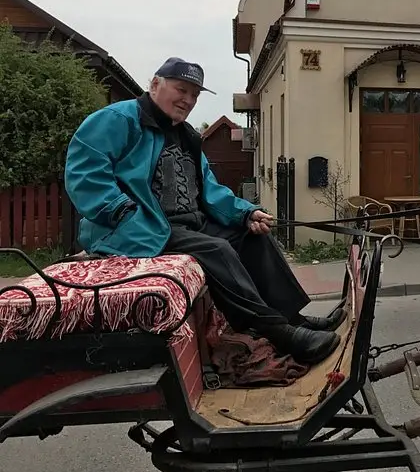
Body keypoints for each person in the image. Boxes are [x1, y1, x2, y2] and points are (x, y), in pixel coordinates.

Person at [63, 57, 344, 365]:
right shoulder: (118, 119)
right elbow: (85, 171)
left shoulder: (186, 135)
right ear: (155, 84)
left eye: (194, 95)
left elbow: (210, 190)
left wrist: (245, 213)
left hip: (187, 225)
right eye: (181, 89)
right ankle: (276, 332)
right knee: (216, 249)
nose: (188, 100)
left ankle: (294, 319)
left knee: (252, 237)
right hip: (139, 227)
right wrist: (121, 211)